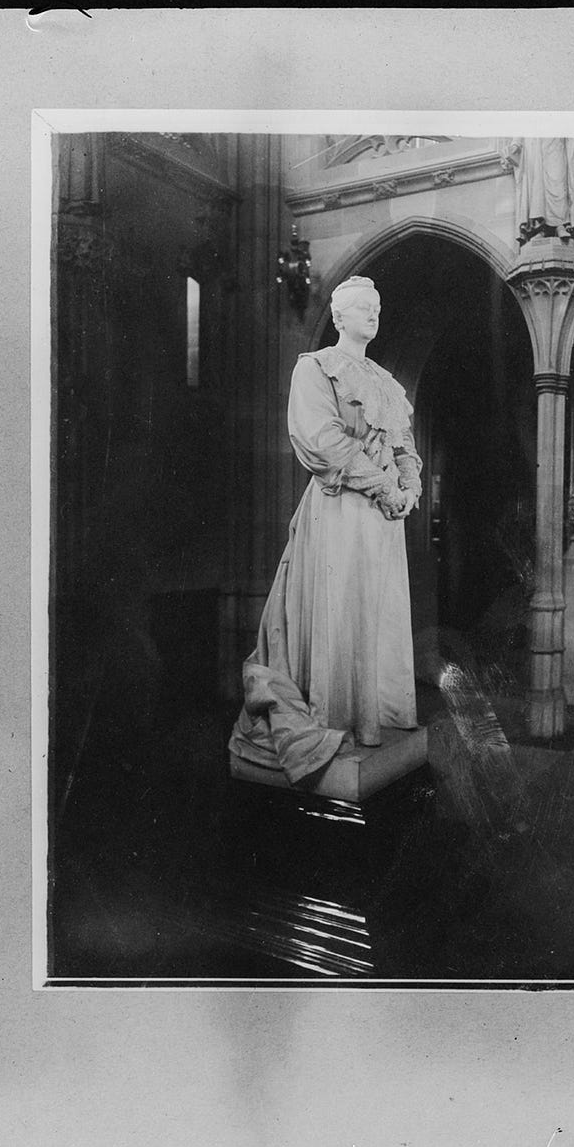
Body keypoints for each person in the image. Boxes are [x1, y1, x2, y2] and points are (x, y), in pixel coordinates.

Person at [228, 276, 423, 785]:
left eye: (377, 306)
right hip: (341, 512)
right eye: (364, 307)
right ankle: (336, 717)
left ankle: (377, 715)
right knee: (341, 609)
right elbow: (320, 441)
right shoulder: (315, 369)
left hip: (383, 521)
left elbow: (404, 444)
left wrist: (409, 485)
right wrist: (382, 485)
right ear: (340, 317)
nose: (373, 314)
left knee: (376, 610)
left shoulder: (384, 379)